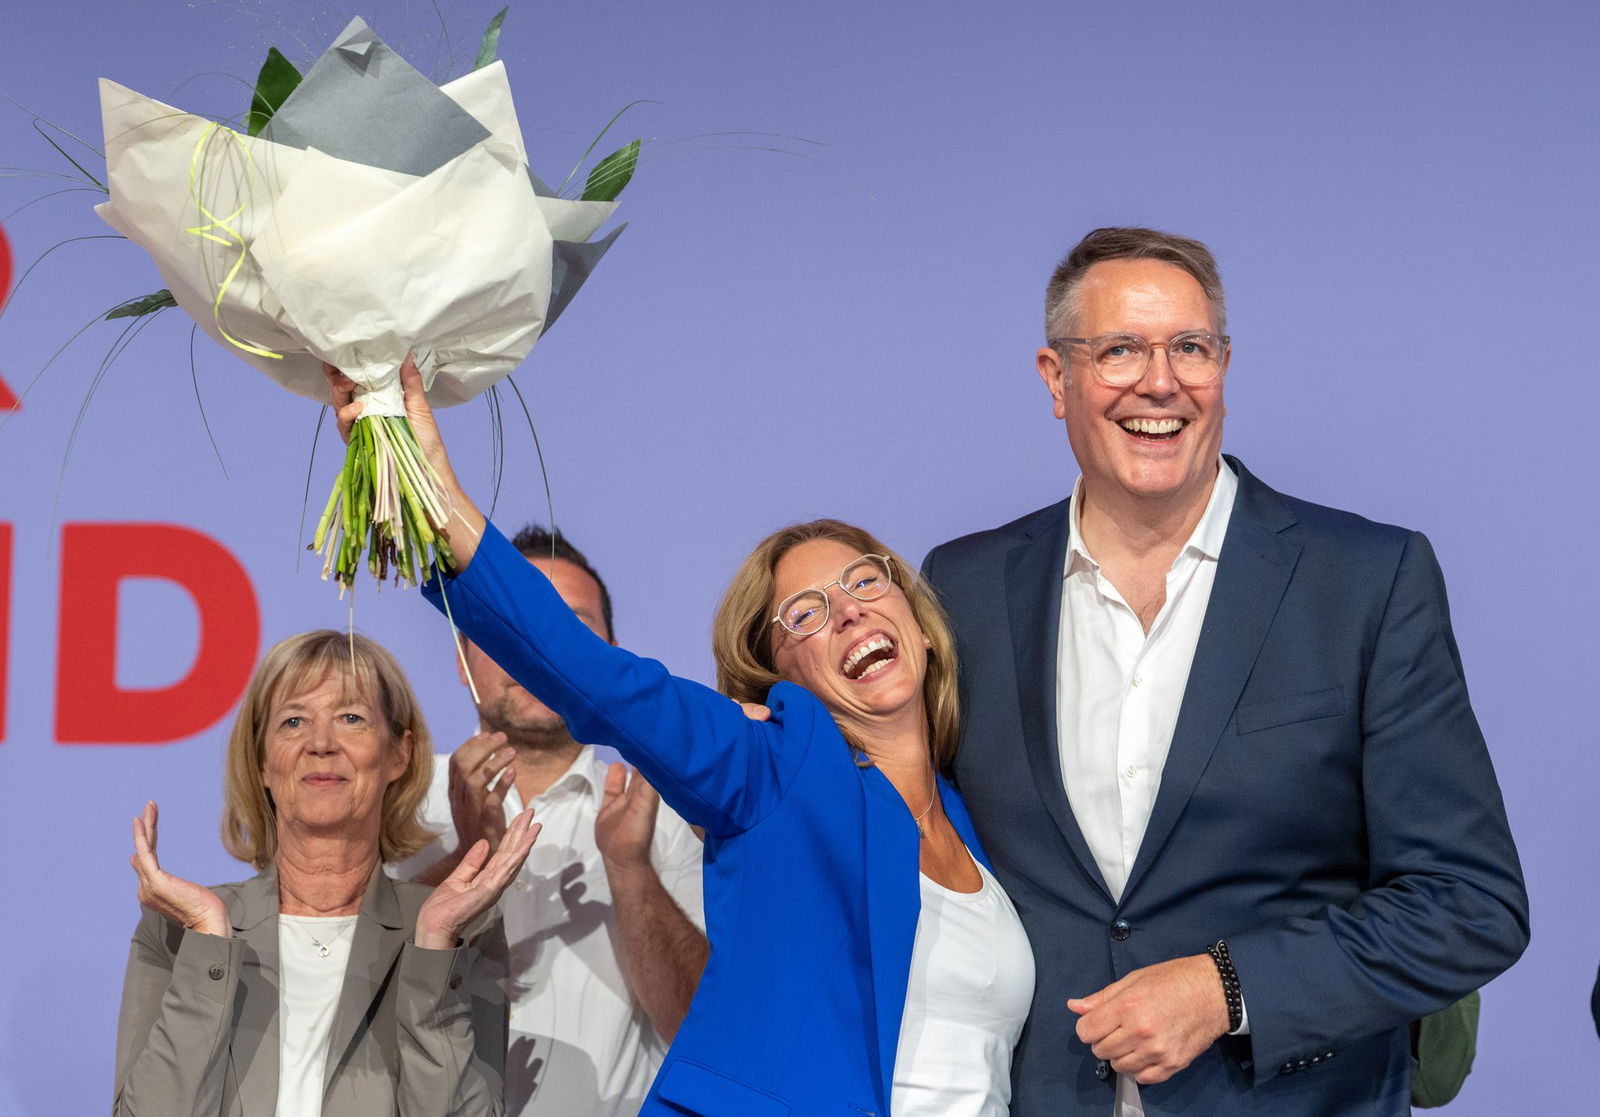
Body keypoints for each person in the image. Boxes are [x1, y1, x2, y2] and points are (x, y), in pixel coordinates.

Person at [919, 226, 1530, 1115]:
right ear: (1057, 378)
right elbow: (912, 830)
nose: (1160, 381)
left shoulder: (1364, 579)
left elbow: (1470, 902)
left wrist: (1225, 986)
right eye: (1120, 349)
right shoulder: (964, 586)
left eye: (1190, 348)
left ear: (1225, 367)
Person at [325, 360, 1037, 1117]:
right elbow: (593, 674)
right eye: (805, 613)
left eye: (865, 581)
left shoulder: (984, 822)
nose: (849, 611)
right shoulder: (773, 768)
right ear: (778, 672)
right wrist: (432, 490)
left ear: (921, 626)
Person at [114, 629, 540, 1116]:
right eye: (293, 721)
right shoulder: (178, 929)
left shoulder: (460, 930)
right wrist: (209, 940)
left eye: (351, 718)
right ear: (262, 761)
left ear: (398, 753)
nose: (320, 743)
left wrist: (434, 949)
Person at [394, 524, 709, 1116]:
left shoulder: (666, 814)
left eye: (572, 628)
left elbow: (703, 1037)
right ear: (463, 657)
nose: (539, 648)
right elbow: (340, 995)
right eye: (511, 625)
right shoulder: (396, 804)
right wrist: (465, 856)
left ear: (609, 660)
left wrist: (631, 870)